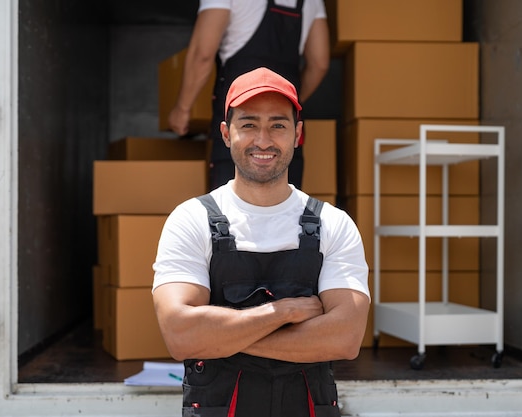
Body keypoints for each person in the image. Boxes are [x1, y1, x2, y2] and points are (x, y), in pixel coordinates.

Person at [153, 67, 370, 417]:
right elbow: (181, 336)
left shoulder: (333, 224)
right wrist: (283, 312)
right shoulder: (190, 220)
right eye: (249, 124)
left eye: (278, 125)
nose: (264, 140)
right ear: (226, 133)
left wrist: (223, 337)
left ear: (298, 134)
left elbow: (345, 339)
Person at [167, 0, 330, 191]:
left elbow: (202, 54)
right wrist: (286, 104)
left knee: (230, 211)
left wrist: (183, 108)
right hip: (285, 132)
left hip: (241, 126)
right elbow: (319, 63)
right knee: (286, 210)